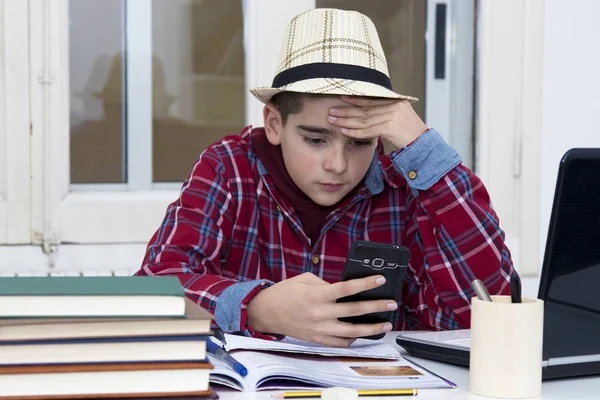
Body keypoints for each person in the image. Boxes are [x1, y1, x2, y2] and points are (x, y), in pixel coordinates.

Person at [135, 8, 515, 347]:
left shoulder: (408, 186)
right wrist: (259, 307)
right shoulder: (229, 167)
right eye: (315, 139)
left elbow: (486, 315)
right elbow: (153, 292)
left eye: (360, 142)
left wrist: (425, 151)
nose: (337, 165)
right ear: (273, 123)